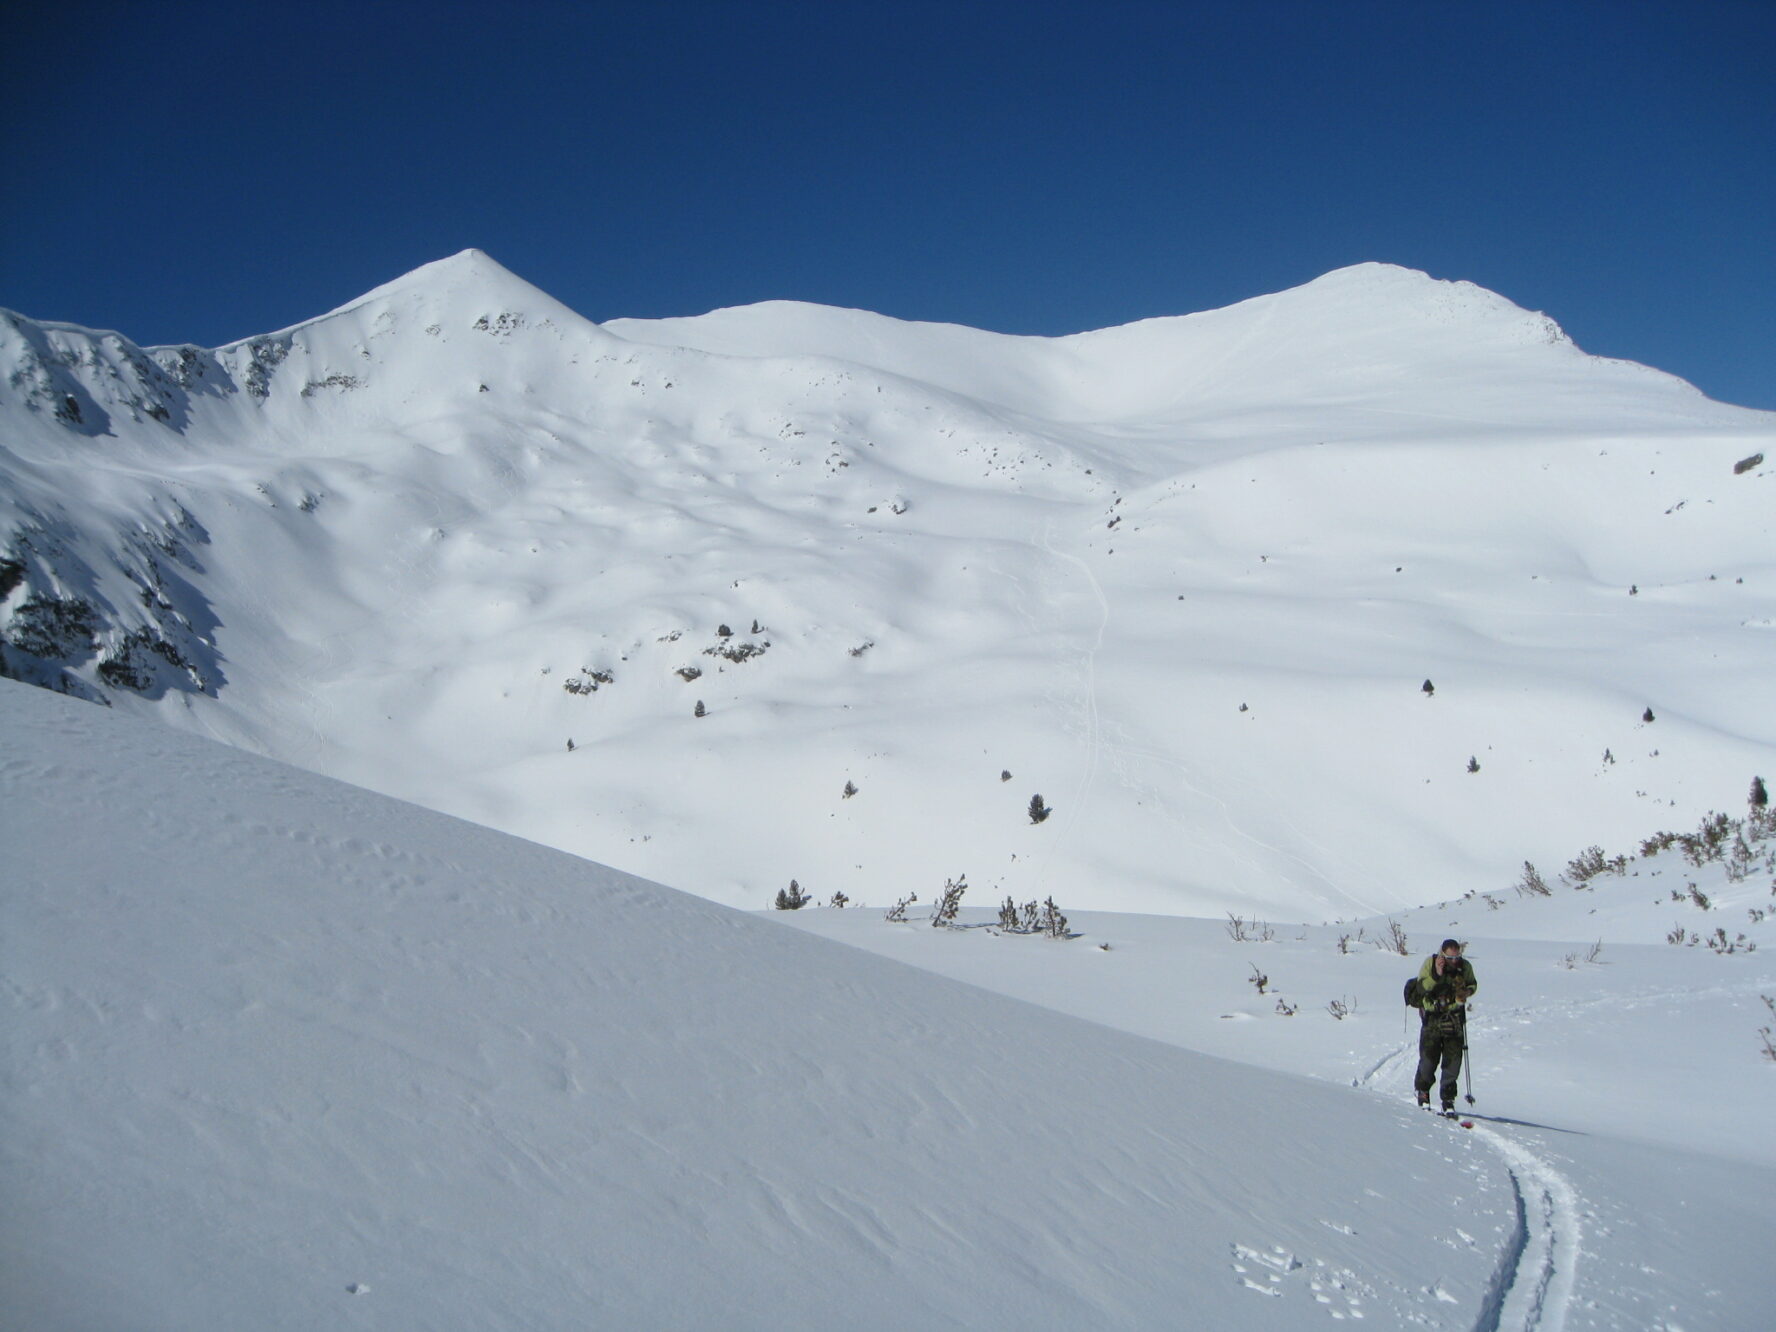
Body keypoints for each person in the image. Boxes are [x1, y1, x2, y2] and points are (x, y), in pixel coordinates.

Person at [1414, 939, 1477, 1114]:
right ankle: (1423, 1092)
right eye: (1450, 957)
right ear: (1442, 953)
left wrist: (1467, 992)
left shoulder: (1465, 966)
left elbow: (1473, 983)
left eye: (1457, 956)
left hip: (1455, 1017)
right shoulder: (1431, 963)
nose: (1454, 960)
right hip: (1433, 1016)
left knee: (1453, 1062)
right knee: (1429, 1059)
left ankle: (1448, 1099)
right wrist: (1437, 973)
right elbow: (1421, 987)